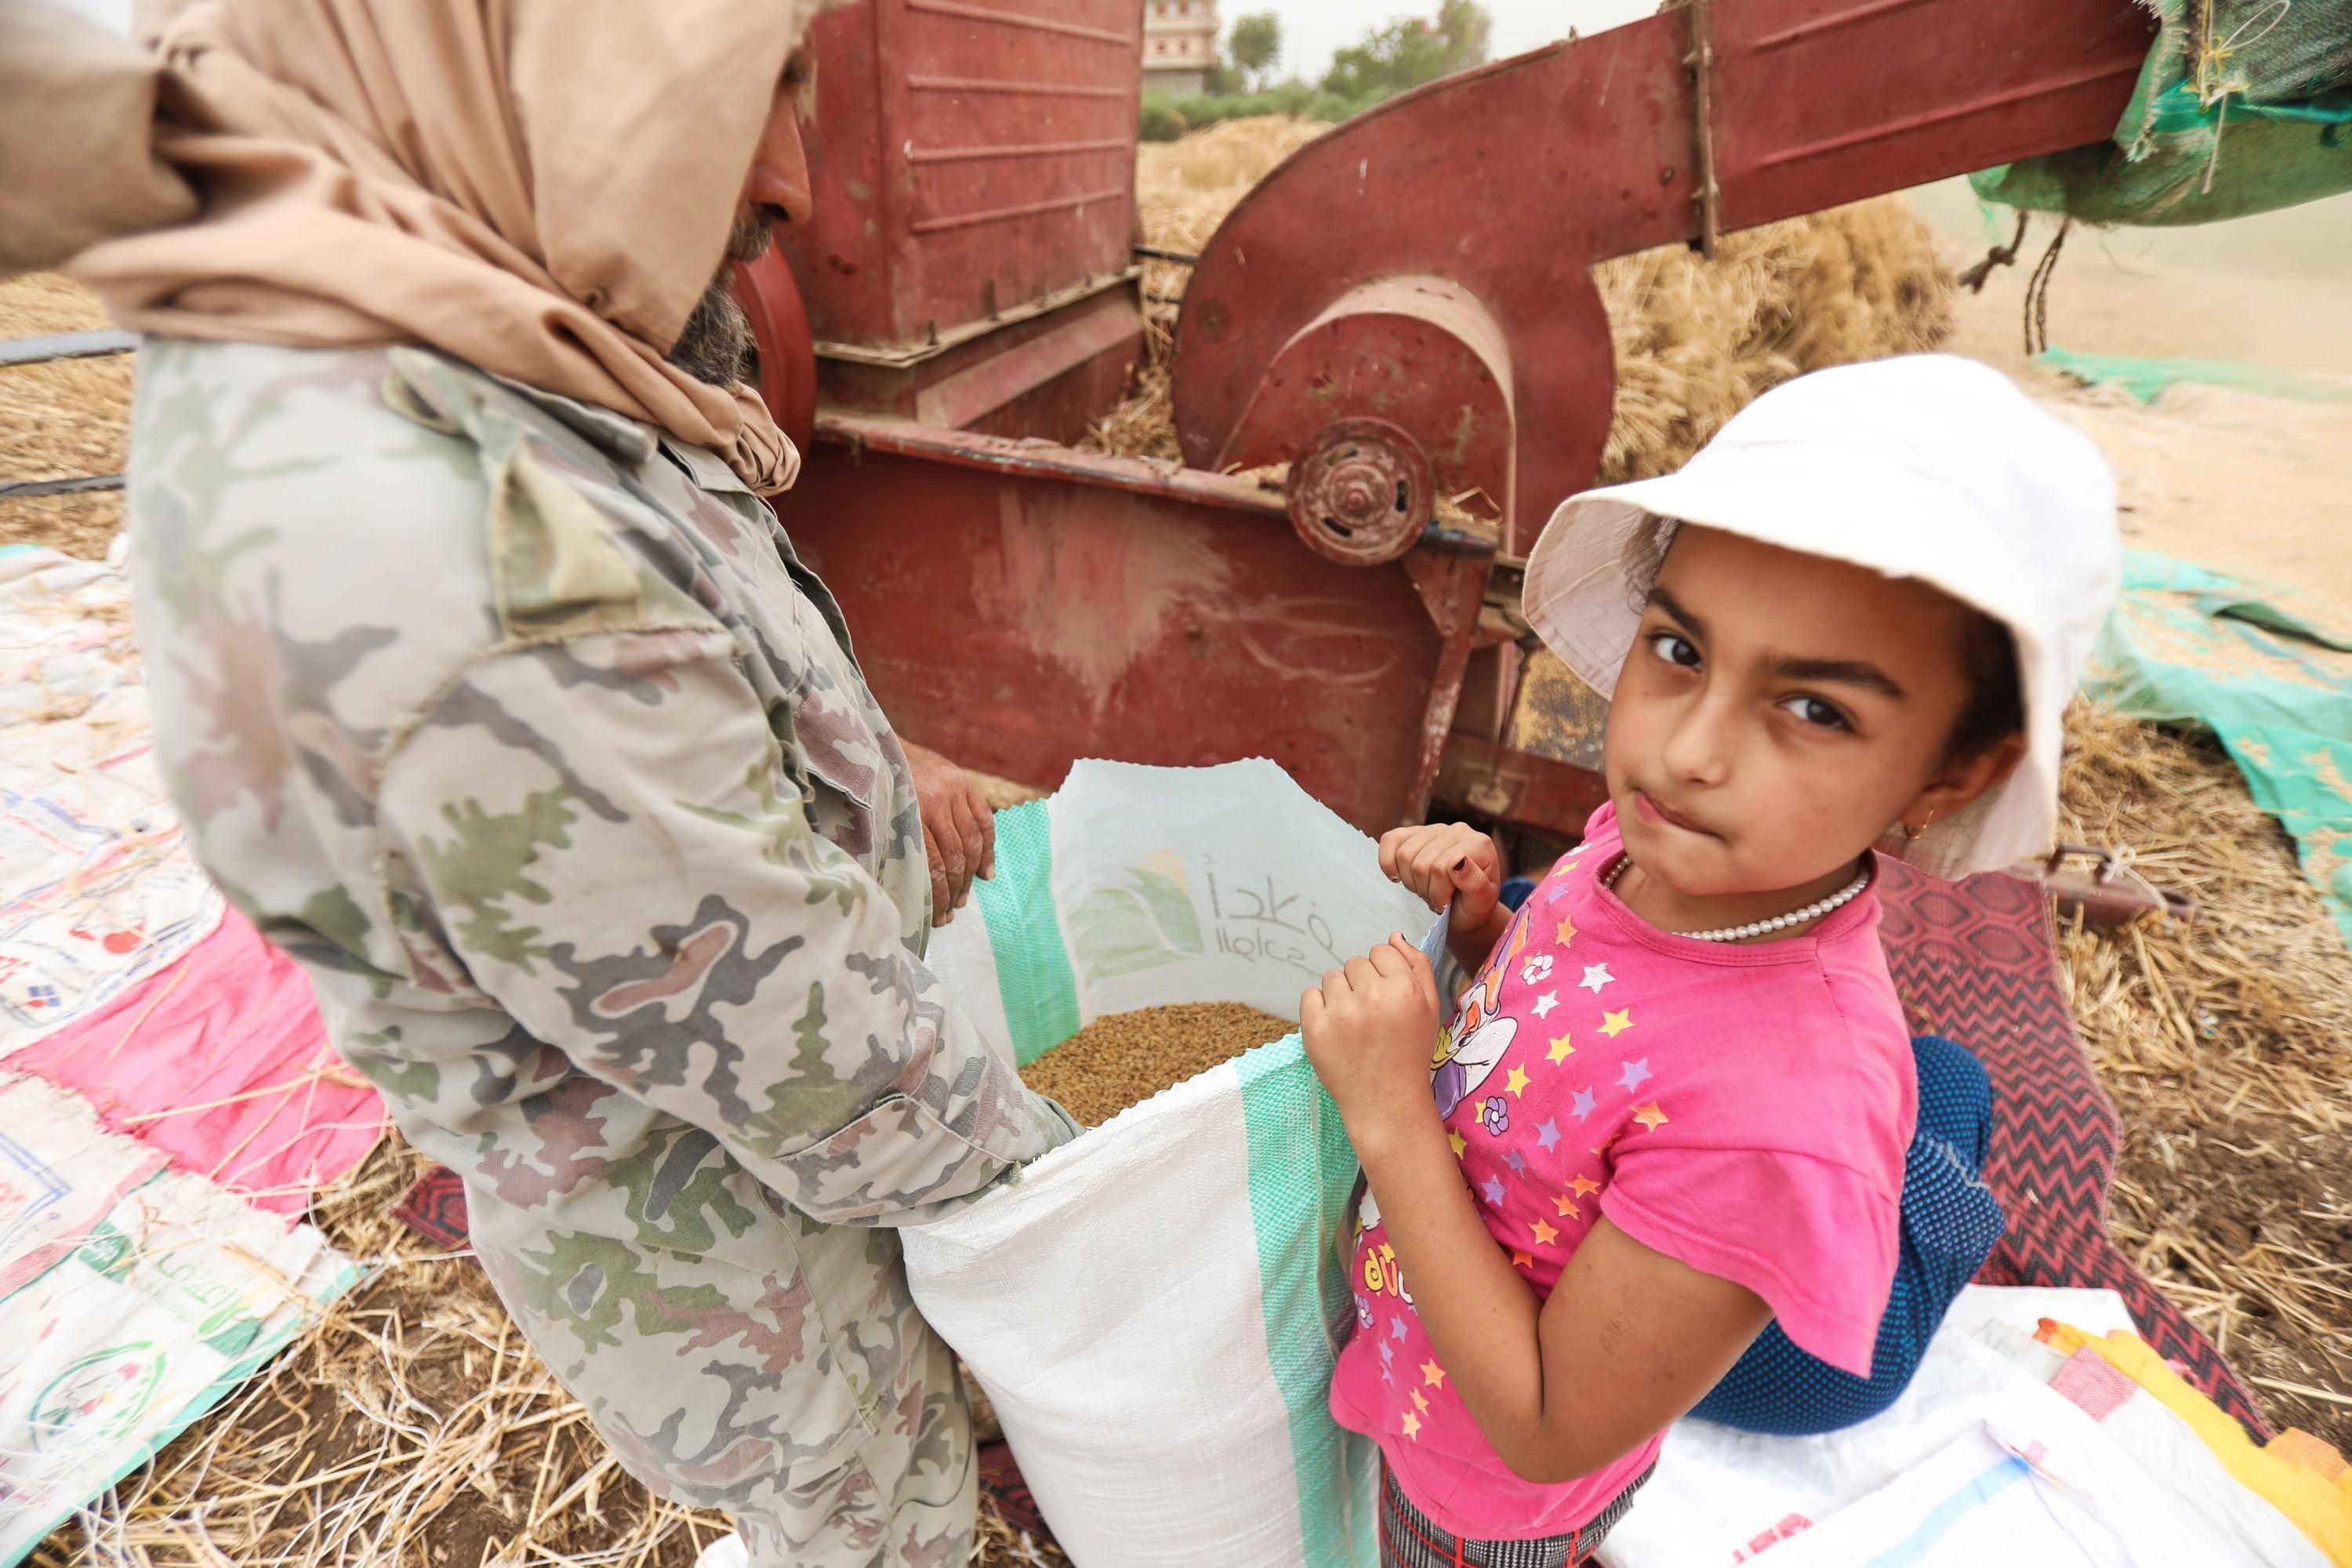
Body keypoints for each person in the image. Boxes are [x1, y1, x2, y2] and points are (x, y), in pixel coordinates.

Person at [13, 2, 1075, 1563]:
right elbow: (828, 1067)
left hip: (758, 1168)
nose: (792, 173)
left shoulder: (476, 312)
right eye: (756, 86)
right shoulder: (454, 552)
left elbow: (684, 677)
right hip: (740, 1260)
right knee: (876, 1525)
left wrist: (861, 760)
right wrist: (1103, 1197)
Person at [1300, 355, 2120, 1566]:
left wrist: (1388, 1117)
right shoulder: (1654, 858)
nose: (1687, 753)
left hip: (1481, 1509)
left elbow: (1545, 1426)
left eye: (1818, 709)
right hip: (1419, 1382)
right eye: (1680, 649)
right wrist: (1483, 931)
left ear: (1953, 773)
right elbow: (1556, 1016)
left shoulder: (1781, 1116)